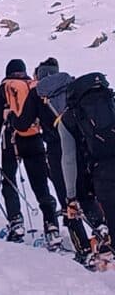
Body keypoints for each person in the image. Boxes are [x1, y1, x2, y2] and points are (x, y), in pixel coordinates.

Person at [11, 57, 94, 261]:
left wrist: (12, 117)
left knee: (68, 200)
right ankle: (103, 237)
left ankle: (83, 250)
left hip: (57, 152)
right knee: (87, 195)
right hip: (83, 147)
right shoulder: (73, 85)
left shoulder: (37, 92)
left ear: (39, 74)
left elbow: (22, 125)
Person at [0, 59, 60, 248]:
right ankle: (52, 227)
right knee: (40, 185)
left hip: (11, 141)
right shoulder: (32, 87)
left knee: (9, 180)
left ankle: (16, 222)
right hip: (34, 138)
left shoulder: (4, 88)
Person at [60, 72, 115, 266]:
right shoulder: (110, 100)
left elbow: (68, 159)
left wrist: (71, 196)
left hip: (102, 174)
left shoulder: (69, 117)